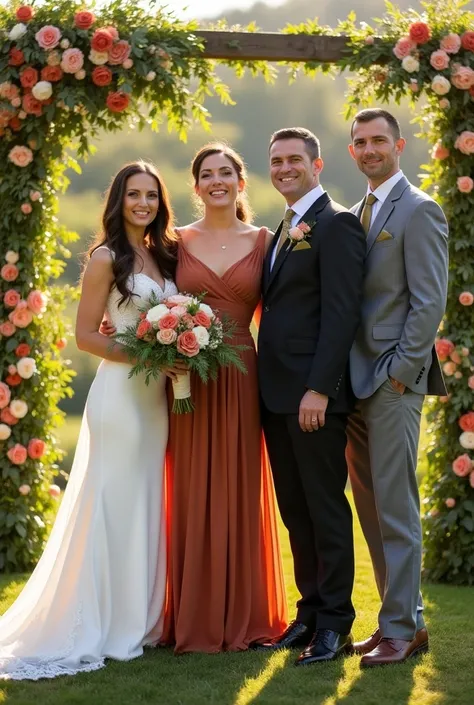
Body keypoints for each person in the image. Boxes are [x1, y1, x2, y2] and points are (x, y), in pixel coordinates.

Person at [0, 161, 181, 680]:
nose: (143, 203)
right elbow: (87, 337)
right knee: (113, 504)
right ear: (118, 201)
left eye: (151, 195)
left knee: (145, 501)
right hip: (121, 398)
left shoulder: (162, 255)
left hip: (155, 404)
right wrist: (150, 355)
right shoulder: (106, 257)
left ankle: (142, 622)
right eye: (133, 195)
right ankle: (102, 623)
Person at [161, 142, 288, 654]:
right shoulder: (173, 241)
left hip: (242, 376)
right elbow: (144, 296)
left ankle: (244, 613)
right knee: (189, 487)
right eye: (207, 174)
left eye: (226, 172)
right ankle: (191, 614)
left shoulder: (264, 239)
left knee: (239, 485)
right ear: (195, 187)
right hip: (188, 376)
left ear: (241, 180)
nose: (217, 181)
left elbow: (283, 313)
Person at [256, 127, 366, 665]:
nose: (283, 168)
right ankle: (309, 614)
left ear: (317, 165)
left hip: (312, 397)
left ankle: (337, 626)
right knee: (295, 510)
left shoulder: (336, 223)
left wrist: (320, 388)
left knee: (324, 508)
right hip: (275, 396)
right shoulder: (285, 226)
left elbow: (342, 313)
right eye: (276, 161)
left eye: (294, 159)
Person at [346, 108, 448, 667]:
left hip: (391, 380)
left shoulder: (420, 210)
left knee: (395, 506)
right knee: (370, 506)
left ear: (399, 145)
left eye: (378, 140)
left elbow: (428, 300)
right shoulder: (359, 209)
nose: (368, 149)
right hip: (354, 382)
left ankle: (401, 630)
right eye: (359, 142)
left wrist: (400, 373)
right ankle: (402, 619)